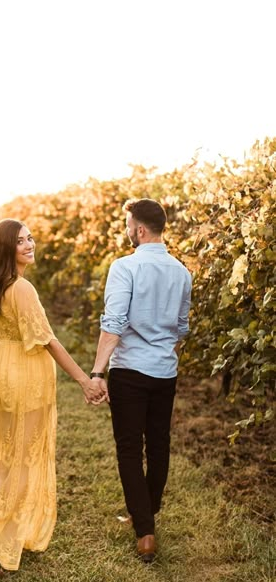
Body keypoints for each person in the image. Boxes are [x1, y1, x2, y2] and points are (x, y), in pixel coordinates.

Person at [0, 218, 104, 571]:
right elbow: (48, 341)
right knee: (24, 455)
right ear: (6, 248)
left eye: (31, 238)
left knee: (6, 450)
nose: (30, 245)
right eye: (21, 241)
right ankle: (1, 530)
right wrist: (85, 381)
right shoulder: (22, 288)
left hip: (0, 366)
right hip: (23, 373)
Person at [91, 198, 192, 563]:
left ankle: (145, 531)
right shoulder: (182, 272)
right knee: (159, 443)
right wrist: (162, 350)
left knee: (130, 448)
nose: (127, 231)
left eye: (128, 225)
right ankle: (146, 512)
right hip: (165, 371)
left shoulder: (124, 267)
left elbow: (113, 325)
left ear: (140, 229)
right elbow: (182, 328)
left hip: (130, 370)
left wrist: (97, 372)